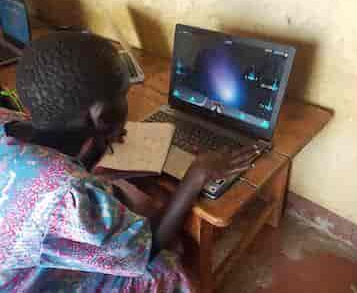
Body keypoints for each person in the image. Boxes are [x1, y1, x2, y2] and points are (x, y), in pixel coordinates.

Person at [0, 32, 260, 292]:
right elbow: (145, 250)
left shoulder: (6, 119)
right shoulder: (67, 196)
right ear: (101, 116)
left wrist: (100, 136)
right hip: (22, 283)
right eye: (125, 94)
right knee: (165, 269)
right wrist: (194, 178)